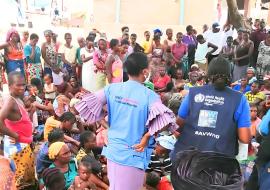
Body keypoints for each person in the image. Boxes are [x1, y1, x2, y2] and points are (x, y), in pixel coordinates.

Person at [75, 52, 177, 190]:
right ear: (145, 71)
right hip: (133, 154)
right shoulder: (150, 96)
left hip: (113, 149)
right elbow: (166, 120)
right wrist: (147, 136)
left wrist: (107, 126)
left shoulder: (112, 88)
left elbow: (87, 104)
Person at [171, 56, 251, 162]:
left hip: (189, 160)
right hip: (219, 163)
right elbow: (245, 138)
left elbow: (178, 125)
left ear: (209, 74)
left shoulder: (193, 93)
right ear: (229, 74)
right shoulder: (239, 99)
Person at [0, 71, 36, 188]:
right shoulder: (10, 101)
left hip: (23, 144)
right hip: (17, 148)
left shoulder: (17, 98)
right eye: (18, 85)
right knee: (19, 181)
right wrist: (15, 135)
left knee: (26, 179)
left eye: (23, 84)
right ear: (10, 85)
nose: (21, 88)